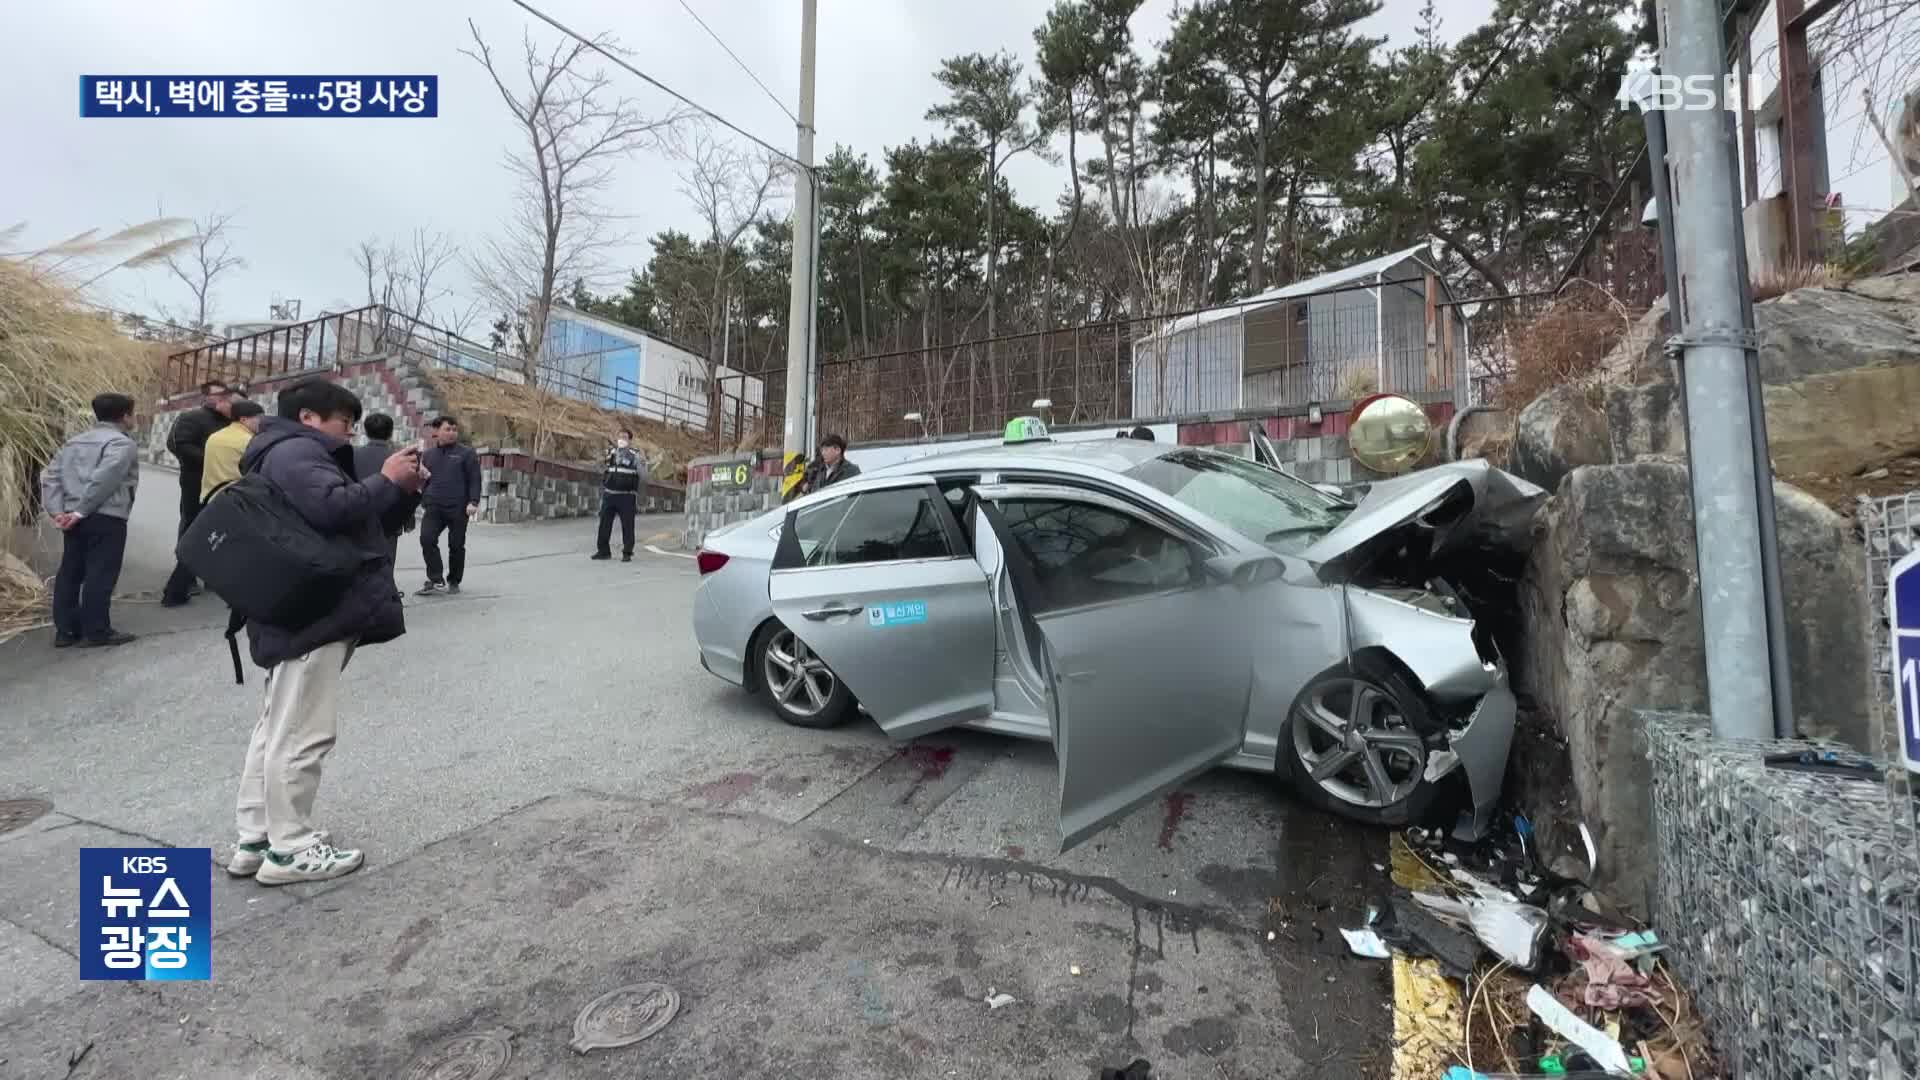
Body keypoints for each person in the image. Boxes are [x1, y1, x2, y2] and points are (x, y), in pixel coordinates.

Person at [224, 378, 427, 885]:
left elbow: (350, 513)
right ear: (310, 417)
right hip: (312, 611)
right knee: (301, 731)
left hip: (293, 606)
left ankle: (257, 836)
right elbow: (334, 508)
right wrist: (386, 478)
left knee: (276, 727)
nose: (349, 433)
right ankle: (291, 848)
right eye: (343, 422)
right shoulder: (296, 452)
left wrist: (398, 488)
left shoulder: (278, 452)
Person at [41, 392, 141, 648]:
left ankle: (66, 631)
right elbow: (105, 479)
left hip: (72, 518)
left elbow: (51, 478)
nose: (134, 418)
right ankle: (97, 630)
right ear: (125, 416)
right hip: (106, 516)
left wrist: (58, 512)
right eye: (133, 413)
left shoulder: (73, 443)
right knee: (101, 573)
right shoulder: (122, 444)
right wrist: (81, 511)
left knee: (71, 572)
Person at [162, 380, 235, 606]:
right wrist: (210, 460)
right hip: (196, 481)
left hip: (222, 483)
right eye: (218, 394)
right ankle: (186, 577)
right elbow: (179, 445)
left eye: (226, 394)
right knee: (192, 525)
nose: (223, 398)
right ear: (205, 397)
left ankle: (212, 575)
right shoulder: (191, 418)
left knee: (220, 528)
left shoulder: (230, 421)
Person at [352, 413, 422, 597]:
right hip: (392, 514)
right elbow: (410, 489)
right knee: (387, 556)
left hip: (360, 511)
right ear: (391, 432)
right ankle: (384, 591)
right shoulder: (403, 458)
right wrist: (408, 519)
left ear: (366, 432)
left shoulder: (353, 454)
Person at [417, 416, 480, 596]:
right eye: (448, 429)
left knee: (456, 545)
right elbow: (424, 480)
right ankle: (436, 578)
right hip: (434, 506)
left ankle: (454, 580)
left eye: (454, 429)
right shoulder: (428, 455)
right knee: (427, 539)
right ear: (436, 432)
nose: (452, 433)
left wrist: (473, 501)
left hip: (459, 508)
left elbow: (474, 479)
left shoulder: (466, 453)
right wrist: (423, 490)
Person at [593, 427, 647, 562]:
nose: (622, 440)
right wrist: (601, 460)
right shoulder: (610, 452)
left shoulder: (635, 455)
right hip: (609, 494)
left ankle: (627, 553)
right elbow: (601, 468)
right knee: (604, 523)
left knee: (627, 525)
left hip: (626, 496)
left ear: (630, 440)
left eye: (625, 437)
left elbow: (644, 476)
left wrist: (641, 495)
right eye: (620, 437)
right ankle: (603, 551)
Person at [199, 400, 266, 503]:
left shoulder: (214, 437)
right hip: (238, 500)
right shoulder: (250, 441)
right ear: (243, 419)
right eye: (259, 417)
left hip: (210, 498)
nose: (262, 421)